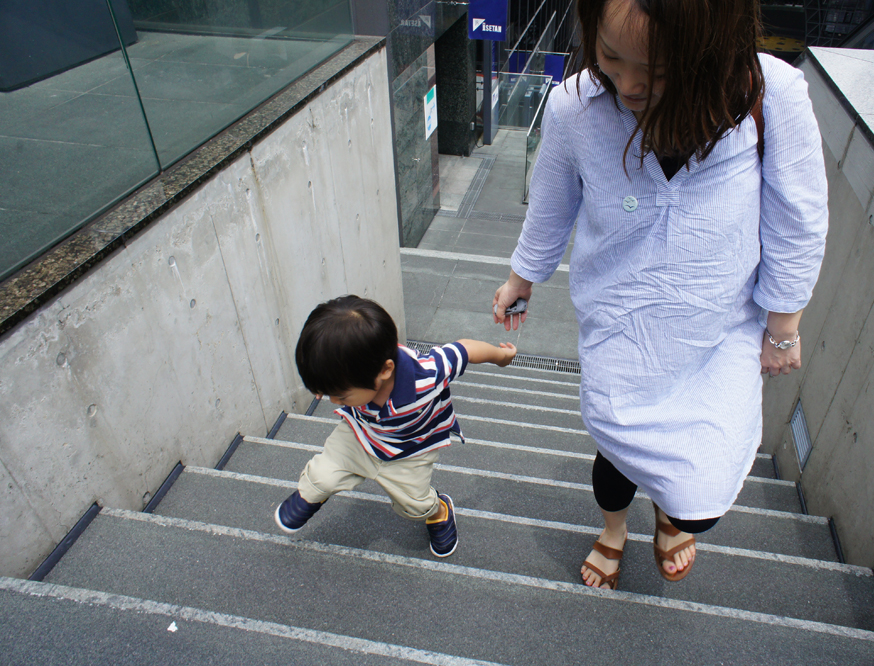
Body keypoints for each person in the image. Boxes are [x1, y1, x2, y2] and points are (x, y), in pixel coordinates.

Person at [493, 0, 827, 589]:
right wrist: (523, 278)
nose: (626, 85)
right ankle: (614, 529)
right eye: (611, 59)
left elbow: (796, 219)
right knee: (618, 453)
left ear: (712, 52)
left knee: (701, 501)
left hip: (719, 328)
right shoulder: (577, 106)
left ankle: (673, 517)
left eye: (656, 69)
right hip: (623, 324)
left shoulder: (771, 96)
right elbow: (551, 199)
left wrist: (784, 326)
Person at [275, 295, 517, 558]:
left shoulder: (427, 374)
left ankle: (439, 510)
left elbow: (465, 349)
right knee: (322, 475)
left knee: (415, 505)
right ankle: (315, 491)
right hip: (361, 435)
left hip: (411, 449)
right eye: (324, 393)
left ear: (385, 370)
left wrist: (501, 356)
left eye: (341, 397)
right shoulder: (355, 370)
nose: (334, 402)